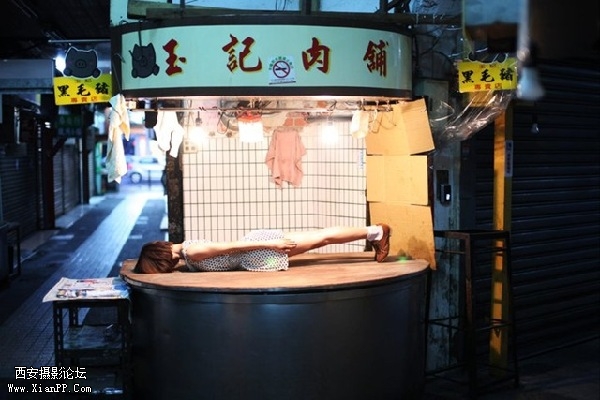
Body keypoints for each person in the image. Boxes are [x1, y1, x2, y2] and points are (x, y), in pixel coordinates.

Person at [133, 224, 391, 274]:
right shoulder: (186, 250)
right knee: (320, 238)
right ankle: (374, 233)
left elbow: (234, 247)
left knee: (321, 238)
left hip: (261, 251)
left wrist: (272, 244)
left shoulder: (191, 253)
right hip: (258, 252)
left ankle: (376, 232)